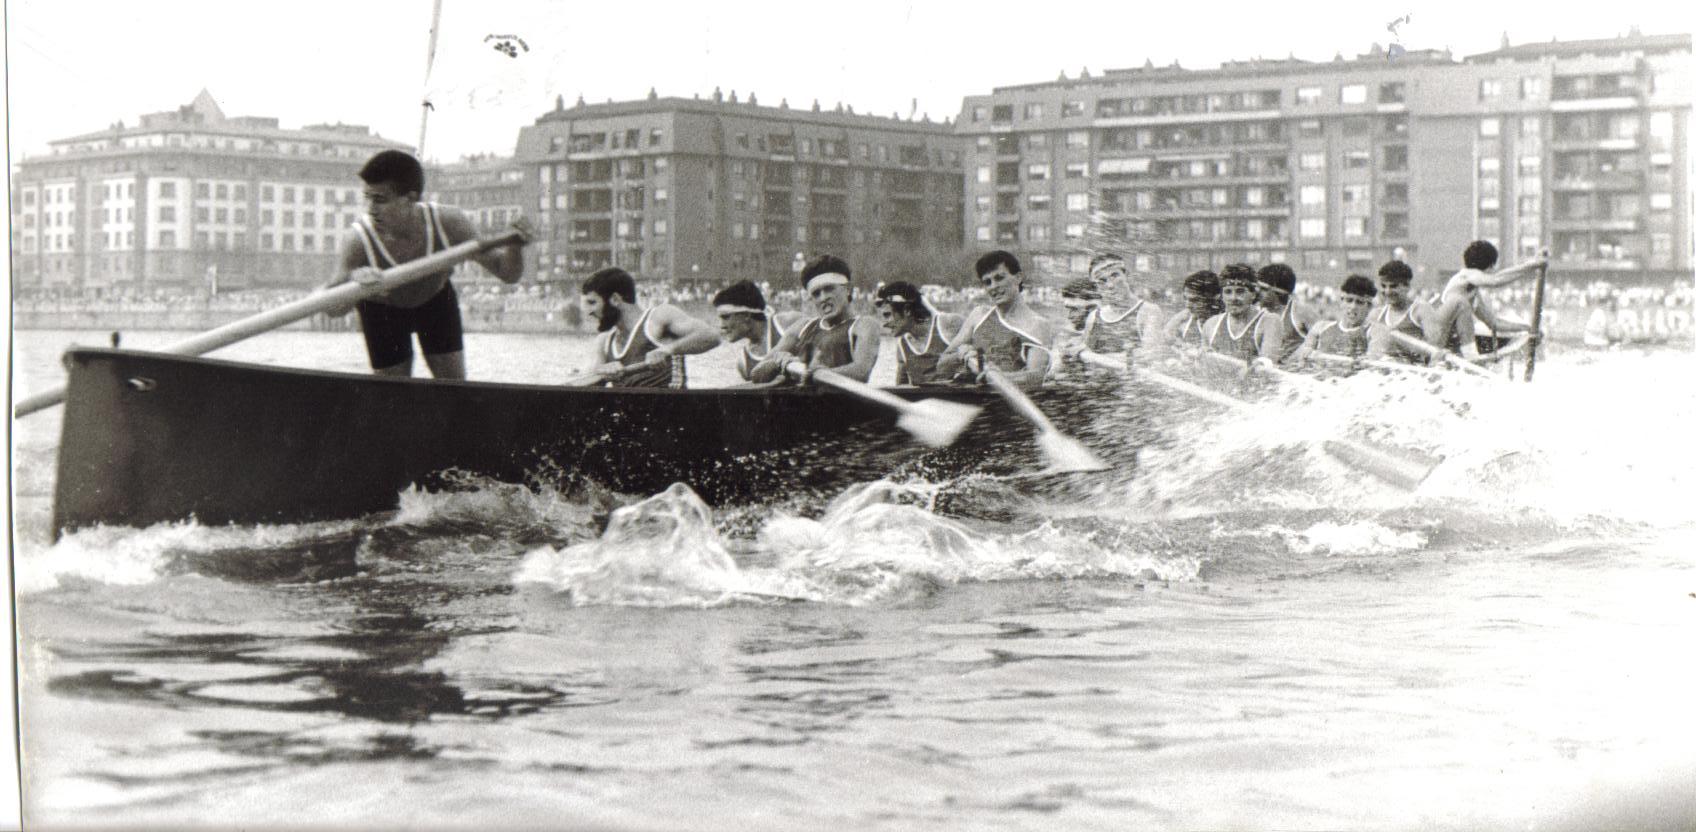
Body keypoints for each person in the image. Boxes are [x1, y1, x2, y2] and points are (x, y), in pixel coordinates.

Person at [328, 149, 531, 378]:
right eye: (368, 198)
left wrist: (515, 246)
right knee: (392, 393)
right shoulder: (358, 240)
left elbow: (508, 274)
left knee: (453, 387)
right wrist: (352, 286)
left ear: (411, 199)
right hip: (382, 311)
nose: (371, 210)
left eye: (380, 200)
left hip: (434, 301)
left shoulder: (449, 223)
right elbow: (333, 309)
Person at [576, 267, 721, 388]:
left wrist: (667, 350)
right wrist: (601, 372)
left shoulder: (659, 317)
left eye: (592, 302)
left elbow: (712, 336)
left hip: (673, 412)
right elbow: (582, 387)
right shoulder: (604, 341)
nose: (588, 311)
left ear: (615, 299)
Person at [750, 254, 881, 384]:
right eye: (816, 294)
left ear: (848, 289)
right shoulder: (803, 327)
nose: (823, 298)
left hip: (844, 403)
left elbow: (861, 371)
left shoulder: (865, 325)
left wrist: (811, 372)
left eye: (829, 289)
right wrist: (778, 363)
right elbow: (756, 373)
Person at [936, 250, 1057, 390]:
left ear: (1018, 278)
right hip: (975, 401)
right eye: (987, 282)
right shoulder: (978, 316)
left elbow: (1035, 379)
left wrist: (994, 377)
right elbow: (941, 367)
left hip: (1011, 406)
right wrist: (961, 354)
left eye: (999, 278)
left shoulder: (1038, 324)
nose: (993, 286)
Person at [1426, 240, 1547, 359]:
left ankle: (1470, 355)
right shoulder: (1465, 275)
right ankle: (1471, 355)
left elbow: (1494, 323)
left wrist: (1526, 327)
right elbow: (1495, 281)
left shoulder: (1473, 294)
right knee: (1462, 305)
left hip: (1447, 340)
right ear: (1489, 265)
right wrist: (1532, 265)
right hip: (1433, 336)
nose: (1494, 270)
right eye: (1493, 266)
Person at [873, 281, 964, 385]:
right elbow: (900, 393)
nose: (884, 324)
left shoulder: (948, 324)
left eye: (887, 315)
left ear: (907, 310)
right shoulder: (902, 347)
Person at [1080, 253, 1165, 362]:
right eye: (1102, 281)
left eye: (1114, 276)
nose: (1110, 285)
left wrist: (1095, 358)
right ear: (1097, 288)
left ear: (1127, 276)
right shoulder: (1093, 317)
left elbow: (1150, 355)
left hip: (1133, 378)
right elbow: (1085, 359)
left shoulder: (1148, 311)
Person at [712, 280, 802, 382]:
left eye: (725, 317)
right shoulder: (743, 363)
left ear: (746, 315)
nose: (721, 325)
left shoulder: (788, 323)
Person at [1291, 275, 1377, 367]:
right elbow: (1296, 360)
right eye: (1349, 300)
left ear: (1369, 307)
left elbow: (1374, 363)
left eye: (1359, 302)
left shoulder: (1373, 331)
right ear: (1341, 302)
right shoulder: (1321, 327)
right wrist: (1305, 353)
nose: (1353, 307)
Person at [1364, 259, 1439, 363]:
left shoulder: (1421, 311)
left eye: (1393, 286)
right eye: (1383, 286)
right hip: (1381, 370)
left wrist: (1396, 339)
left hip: (1410, 372)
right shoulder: (1376, 314)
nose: (1387, 291)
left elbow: (1434, 348)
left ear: (1407, 286)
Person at [1201, 264, 1276, 362]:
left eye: (1240, 291)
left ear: (1253, 294)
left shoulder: (1269, 321)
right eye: (1228, 292)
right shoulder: (1211, 324)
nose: (1234, 298)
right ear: (1221, 296)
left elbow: (1266, 366)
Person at [1255, 263, 1319, 364]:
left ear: (1279, 292)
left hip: (1294, 374)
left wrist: (1302, 353)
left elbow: (1324, 337)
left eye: (1263, 289)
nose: (1257, 292)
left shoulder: (1299, 311)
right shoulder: (1257, 313)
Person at [1162, 269, 1222, 349]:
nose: (1188, 305)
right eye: (1185, 298)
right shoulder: (1184, 319)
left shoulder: (1225, 324)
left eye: (1194, 300)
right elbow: (1167, 335)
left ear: (1214, 298)